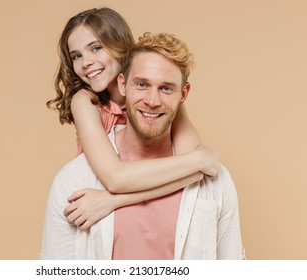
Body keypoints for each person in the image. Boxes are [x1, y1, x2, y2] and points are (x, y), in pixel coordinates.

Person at [41, 32, 245, 260]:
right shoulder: (74, 182)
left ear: (183, 94)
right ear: (123, 84)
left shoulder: (215, 183)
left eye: (166, 88)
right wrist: (202, 161)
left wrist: (110, 201)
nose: (152, 100)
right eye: (142, 84)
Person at [46, 7, 219, 231]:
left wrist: (111, 201)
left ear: (120, 45)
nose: (86, 62)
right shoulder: (84, 102)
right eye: (76, 56)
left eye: (96, 48)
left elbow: (192, 172)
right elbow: (115, 178)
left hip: (153, 209)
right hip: (94, 206)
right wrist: (202, 160)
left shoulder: (160, 98)